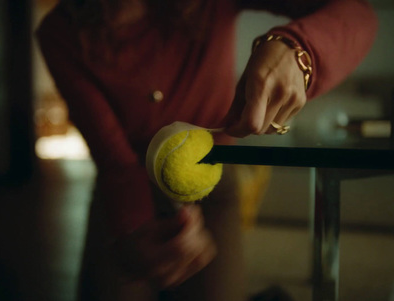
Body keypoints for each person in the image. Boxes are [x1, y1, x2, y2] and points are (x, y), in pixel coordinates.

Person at [36, 0, 378, 300]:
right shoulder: (58, 33)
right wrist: (132, 227)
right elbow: (115, 161)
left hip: (214, 186)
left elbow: (357, 15)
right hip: (122, 190)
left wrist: (299, 49)